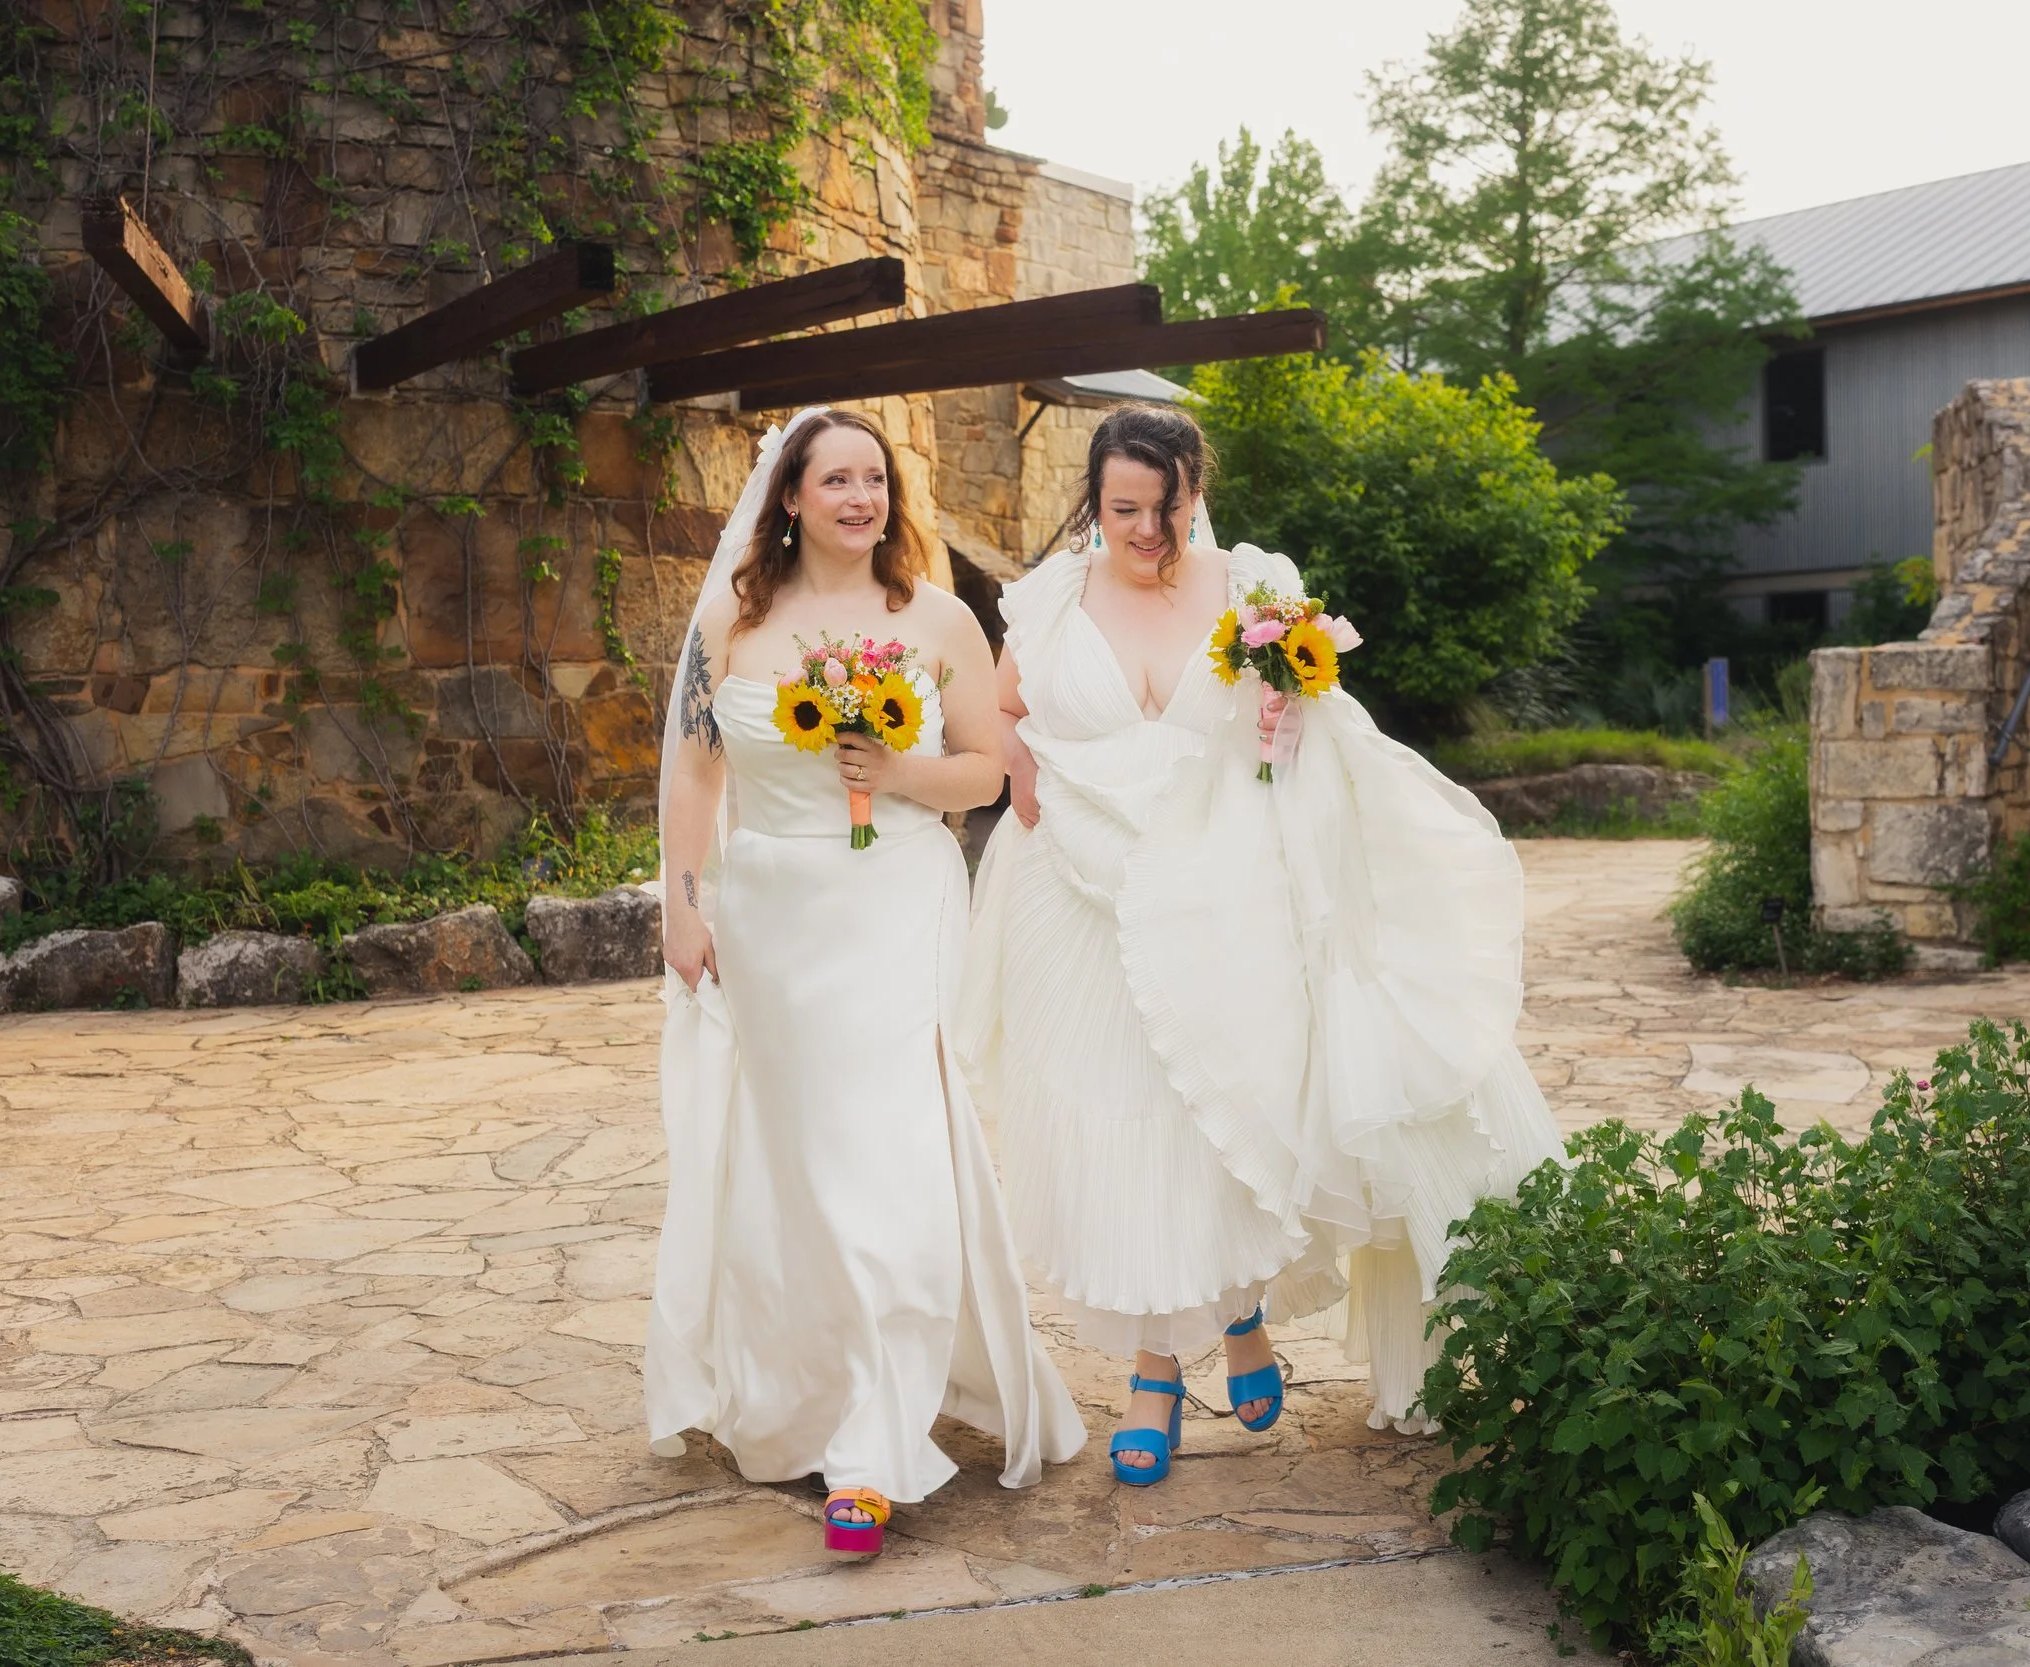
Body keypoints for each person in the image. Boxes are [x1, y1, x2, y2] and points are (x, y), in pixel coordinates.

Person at [961, 404, 1565, 1486]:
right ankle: (1181, 1352)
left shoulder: (1252, 585)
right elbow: (1007, 703)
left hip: (1218, 886)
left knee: (1214, 1110)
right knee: (1127, 1126)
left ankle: (1210, 1332)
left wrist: (1286, 721)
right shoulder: (1052, 596)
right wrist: (1019, 768)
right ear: (1095, 503)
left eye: (1167, 504)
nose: (1147, 529)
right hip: (1077, 893)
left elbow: (1303, 708)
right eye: (1123, 508)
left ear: (1198, 489)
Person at [645, 407, 1086, 1554]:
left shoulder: (938, 618)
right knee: (798, 1168)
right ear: (786, 497)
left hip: (893, 900)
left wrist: (892, 768)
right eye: (833, 478)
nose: (859, 496)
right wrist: (680, 900)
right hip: (771, 913)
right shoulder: (729, 622)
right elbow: (695, 771)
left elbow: (985, 774)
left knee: (882, 1156)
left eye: (874, 479)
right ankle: (814, 1389)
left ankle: (873, 1443)